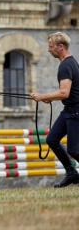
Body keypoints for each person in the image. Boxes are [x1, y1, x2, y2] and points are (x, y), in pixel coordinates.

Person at [31, 32, 79, 188]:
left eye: (51, 47)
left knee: (74, 150)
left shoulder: (66, 65)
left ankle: (72, 172)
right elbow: (66, 94)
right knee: (52, 139)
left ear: (61, 47)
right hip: (69, 110)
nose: (49, 50)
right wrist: (49, 98)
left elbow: (64, 93)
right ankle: (72, 173)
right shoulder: (69, 63)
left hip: (75, 112)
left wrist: (42, 96)